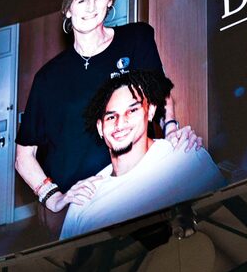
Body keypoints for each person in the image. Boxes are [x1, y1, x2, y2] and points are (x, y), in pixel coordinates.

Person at [15, 0, 200, 234]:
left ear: (110, 2)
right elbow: (23, 156)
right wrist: (53, 197)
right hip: (86, 207)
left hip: (139, 188)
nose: (90, 8)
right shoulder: (47, 78)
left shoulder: (136, 38)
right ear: (67, 9)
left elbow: (159, 94)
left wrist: (172, 130)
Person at [60, 70, 224, 239]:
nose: (120, 123)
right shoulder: (83, 200)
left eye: (132, 110)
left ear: (151, 111)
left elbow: (226, 221)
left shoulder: (185, 157)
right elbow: (66, 262)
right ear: (100, 128)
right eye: (111, 117)